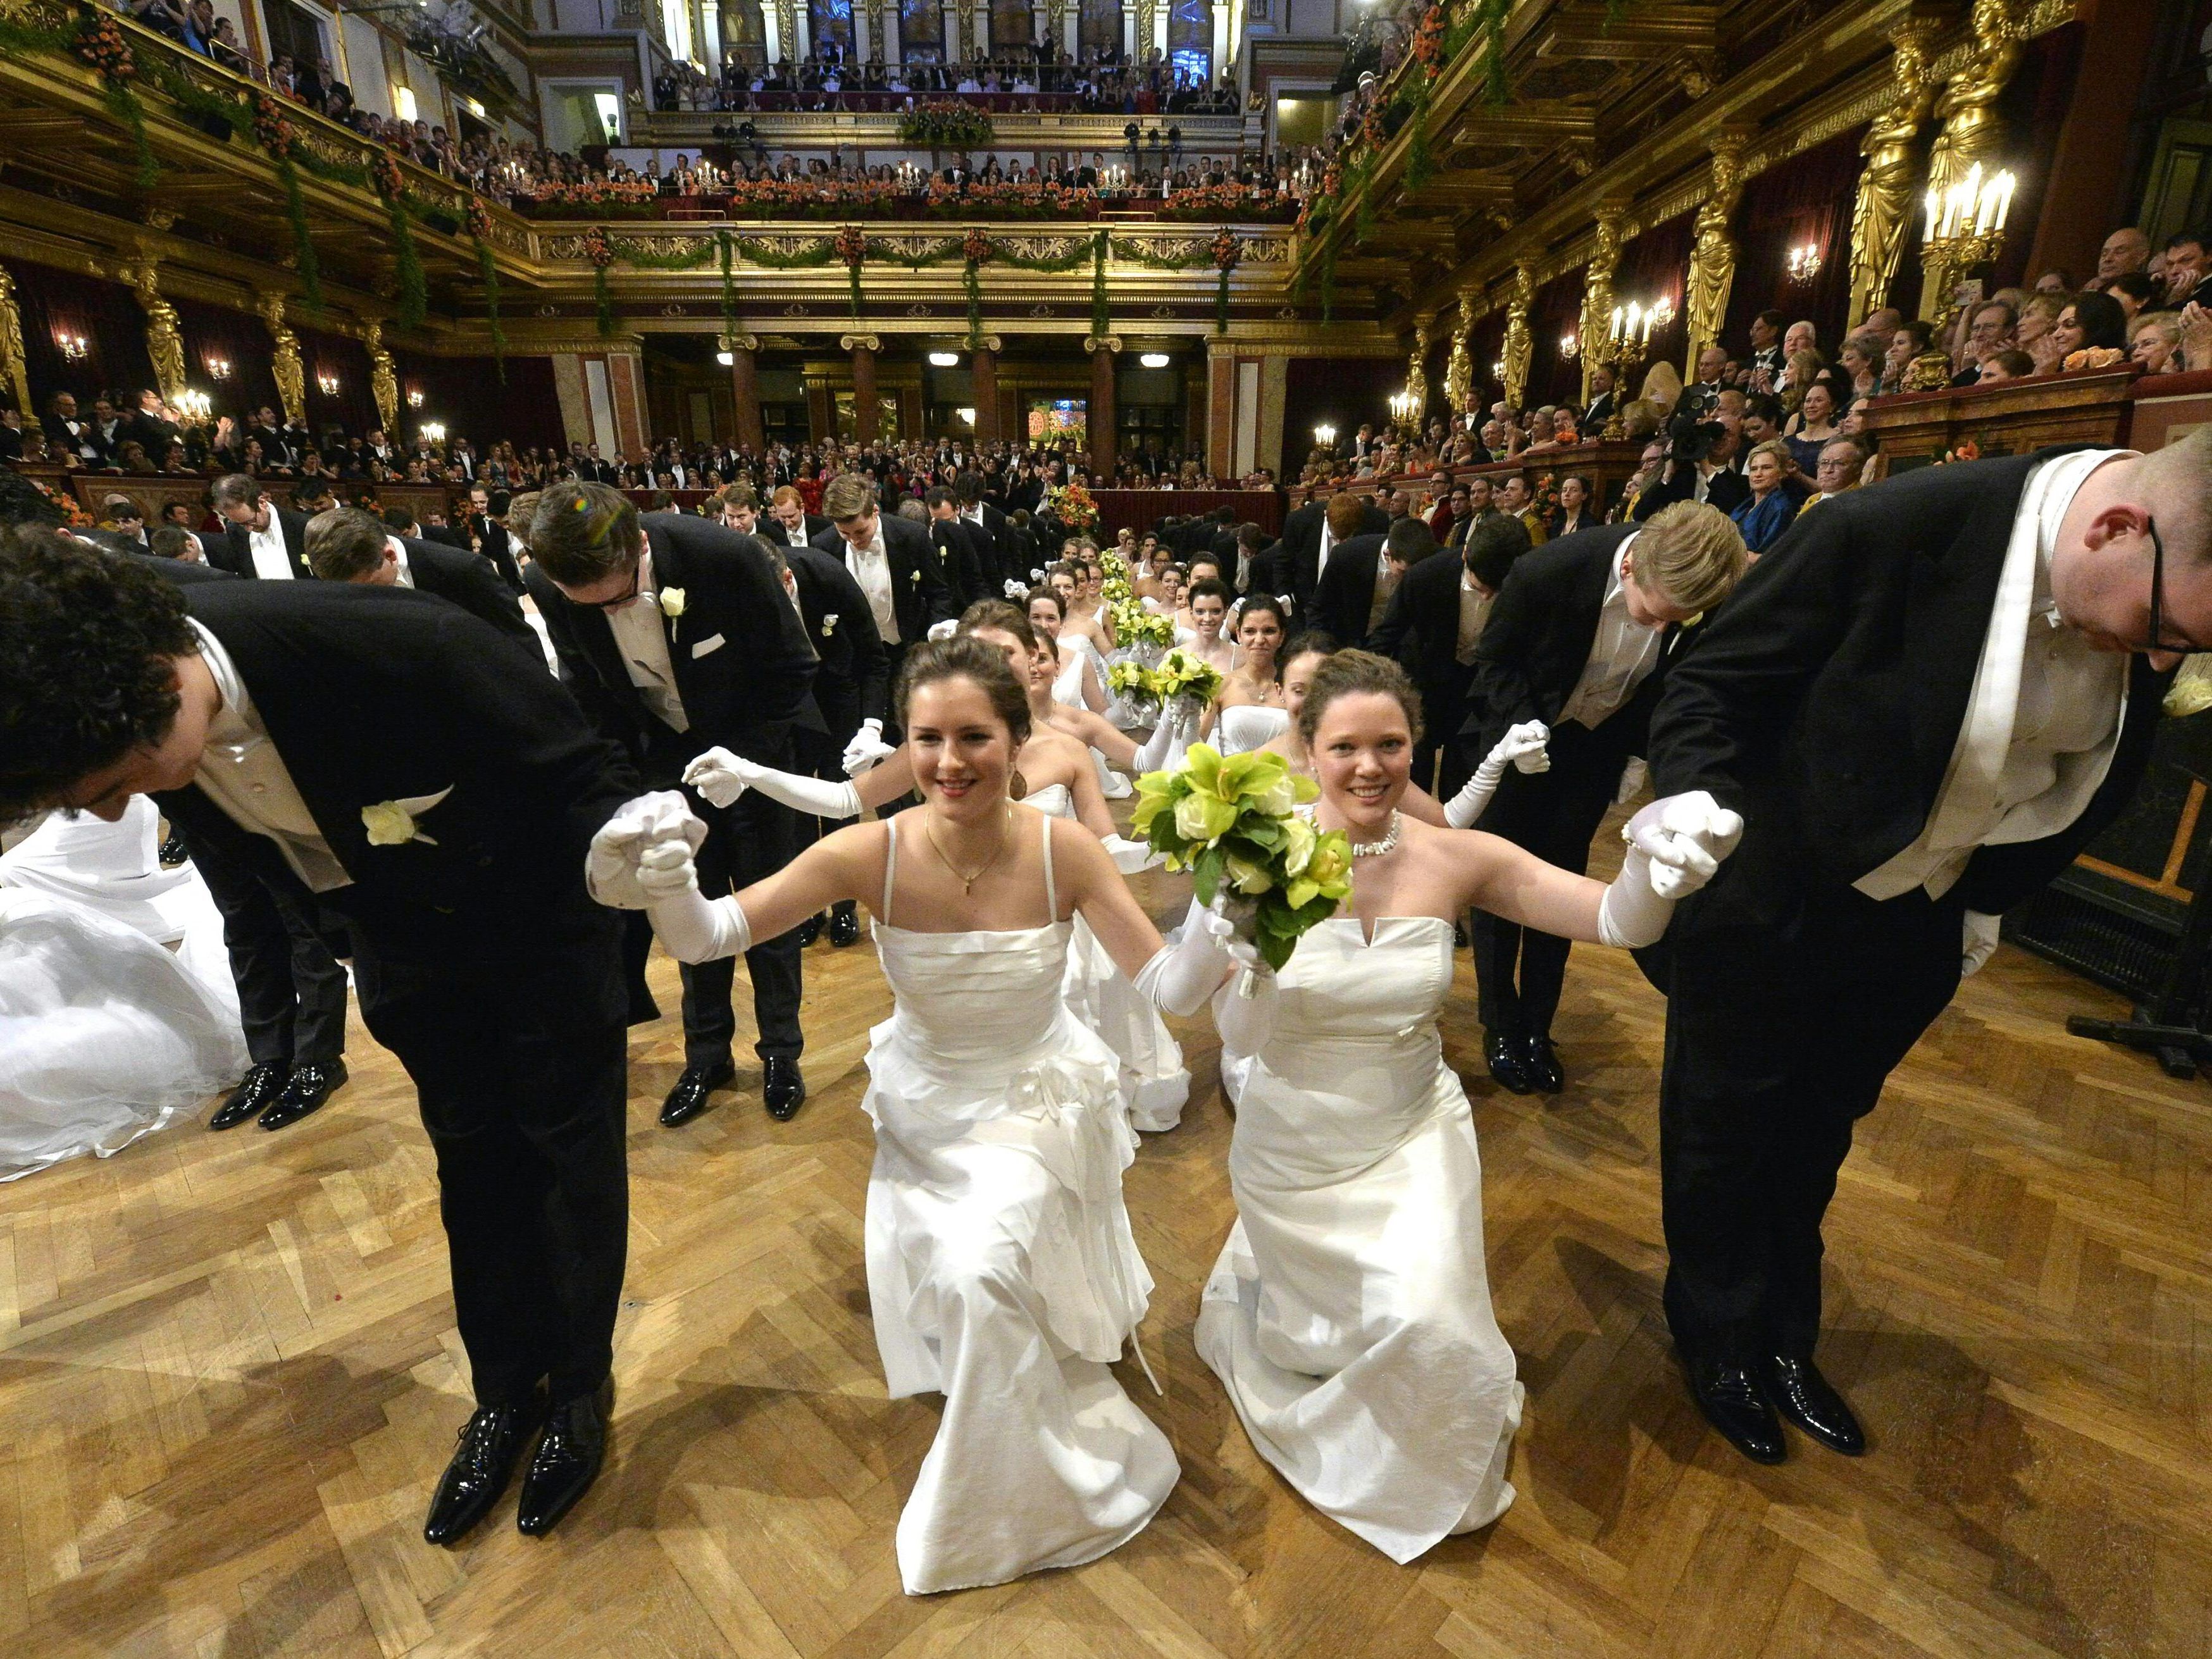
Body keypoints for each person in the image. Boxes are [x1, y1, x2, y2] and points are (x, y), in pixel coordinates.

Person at [0, 531, 647, 1544]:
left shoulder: (394, 639)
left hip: (540, 944)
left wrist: (635, 866)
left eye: (113, 779)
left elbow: (581, 774)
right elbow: (272, 863)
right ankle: (504, 1395)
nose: (124, 803)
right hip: (406, 967)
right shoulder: (154, 743)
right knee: (473, 1175)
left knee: (571, 1161)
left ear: (150, 683)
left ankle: (578, 1393)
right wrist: (364, 958)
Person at [590, 636, 1232, 1594]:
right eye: (927, 738)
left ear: (1017, 741)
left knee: (981, 1272)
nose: (947, 761)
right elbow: (708, 936)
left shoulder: (1064, 849)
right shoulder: (868, 852)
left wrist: (1227, 910)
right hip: (929, 1107)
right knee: (980, 1282)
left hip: (1030, 1100)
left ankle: (1013, 1500)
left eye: (974, 736)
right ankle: (1009, 1429)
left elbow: (1171, 989)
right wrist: (670, 874)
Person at [1643, 429, 2212, 1468]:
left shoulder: (2144, 593)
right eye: (2161, 628)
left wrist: (1980, 910)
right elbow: (1708, 686)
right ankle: (1717, 1336)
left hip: (1921, 921)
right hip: (1773, 898)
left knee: (1817, 1132)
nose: (2166, 659)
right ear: (2116, 529)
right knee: (1722, 1125)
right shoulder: (1885, 526)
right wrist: (1690, 809)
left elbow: (2082, 777)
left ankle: (1784, 1340)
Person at [1193, 649, 1737, 1560]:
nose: (1370, 766)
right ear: (1310, 749)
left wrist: (1657, 866)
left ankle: (1413, 1443)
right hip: (1293, 1138)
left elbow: (1616, 920)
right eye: (1345, 747)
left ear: (1419, 745)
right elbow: (1238, 1041)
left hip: (1411, 1131)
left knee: (1431, 1320)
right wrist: (1245, 963)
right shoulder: (1251, 858)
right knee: (1326, 1334)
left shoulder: (1457, 855)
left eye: (1391, 744)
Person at [686, 602, 1193, 1133]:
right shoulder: (928, 762)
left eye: (1003, 654)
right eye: (975, 652)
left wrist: (1169, 854)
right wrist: (752, 773)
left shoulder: (1066, 750)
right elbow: (843, 799)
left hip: (1059, 917)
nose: (986, 664)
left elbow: (1104, 843)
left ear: (1031, 657)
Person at [527, 487, 821, 1128]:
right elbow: (590, 696)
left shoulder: (728, 558)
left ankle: (781, 1053)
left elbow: (793, 670)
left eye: (618, 595)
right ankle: (707, 1056)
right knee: (683, 913)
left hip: (756, 761)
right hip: (662, 770)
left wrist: (739, 764)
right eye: (592, 605)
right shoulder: (553, 585)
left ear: (639, 543)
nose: (609, 611)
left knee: (767, 915)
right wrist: (627, 789)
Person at [1463, 503, 1749, 1095]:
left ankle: (1539, 1027)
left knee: (1566, 881)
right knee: (1498, 887)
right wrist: (1518, 731)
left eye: (1677, 621)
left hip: (1595, 754)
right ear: (1630, 570)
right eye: (1653, 614)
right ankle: (1499, 1022)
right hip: (1521, 745)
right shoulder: (1549, 570)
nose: (1660, 629)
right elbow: (1495, 662)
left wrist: (1638, 757)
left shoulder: (1692, 597)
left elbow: (1672, 685)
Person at [1370, 514, 1531, 801]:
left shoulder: (1525, 580)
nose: (1485, 598)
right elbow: (1387, 636)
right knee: (1414, 775)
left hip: (1478, 690)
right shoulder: (1425, 576)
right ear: (1466, 554)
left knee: (1463, 779)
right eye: (1479, 587)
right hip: (1423, 683)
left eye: (1495, 591)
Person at [304, 506, 537, 650]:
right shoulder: (342, 577)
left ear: (391, 556)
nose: (365, 600)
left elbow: (519, 640)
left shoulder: (464, 569)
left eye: (371, 587)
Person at [208, 475, 313, 581]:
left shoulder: (305, 526)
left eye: (250, 521)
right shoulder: (235, 530)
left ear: (262, 502)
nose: (248, 530)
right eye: (240, 524)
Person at [1731, 439, 1799, 556]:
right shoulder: (1746, 505)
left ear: (1782, 472)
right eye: (1753, 469)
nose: (1758, 474)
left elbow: (1771, 557)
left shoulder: (1780, 508)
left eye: (1766, 468)